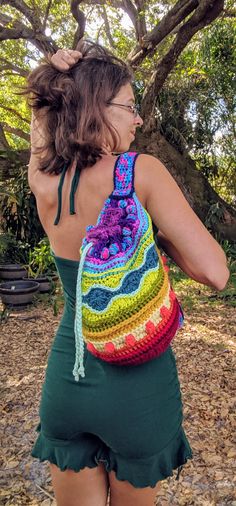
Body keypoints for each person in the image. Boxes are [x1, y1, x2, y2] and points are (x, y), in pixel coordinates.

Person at [26, 40, 229, 506]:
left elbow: (43, 134)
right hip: (137, 387)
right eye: (129, 107)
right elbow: (216, 272)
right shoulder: (139, 173)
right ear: (96, 107)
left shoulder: (43, 180)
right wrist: (152, 239)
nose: (138, 119)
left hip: (66, 379)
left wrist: (48, 80)